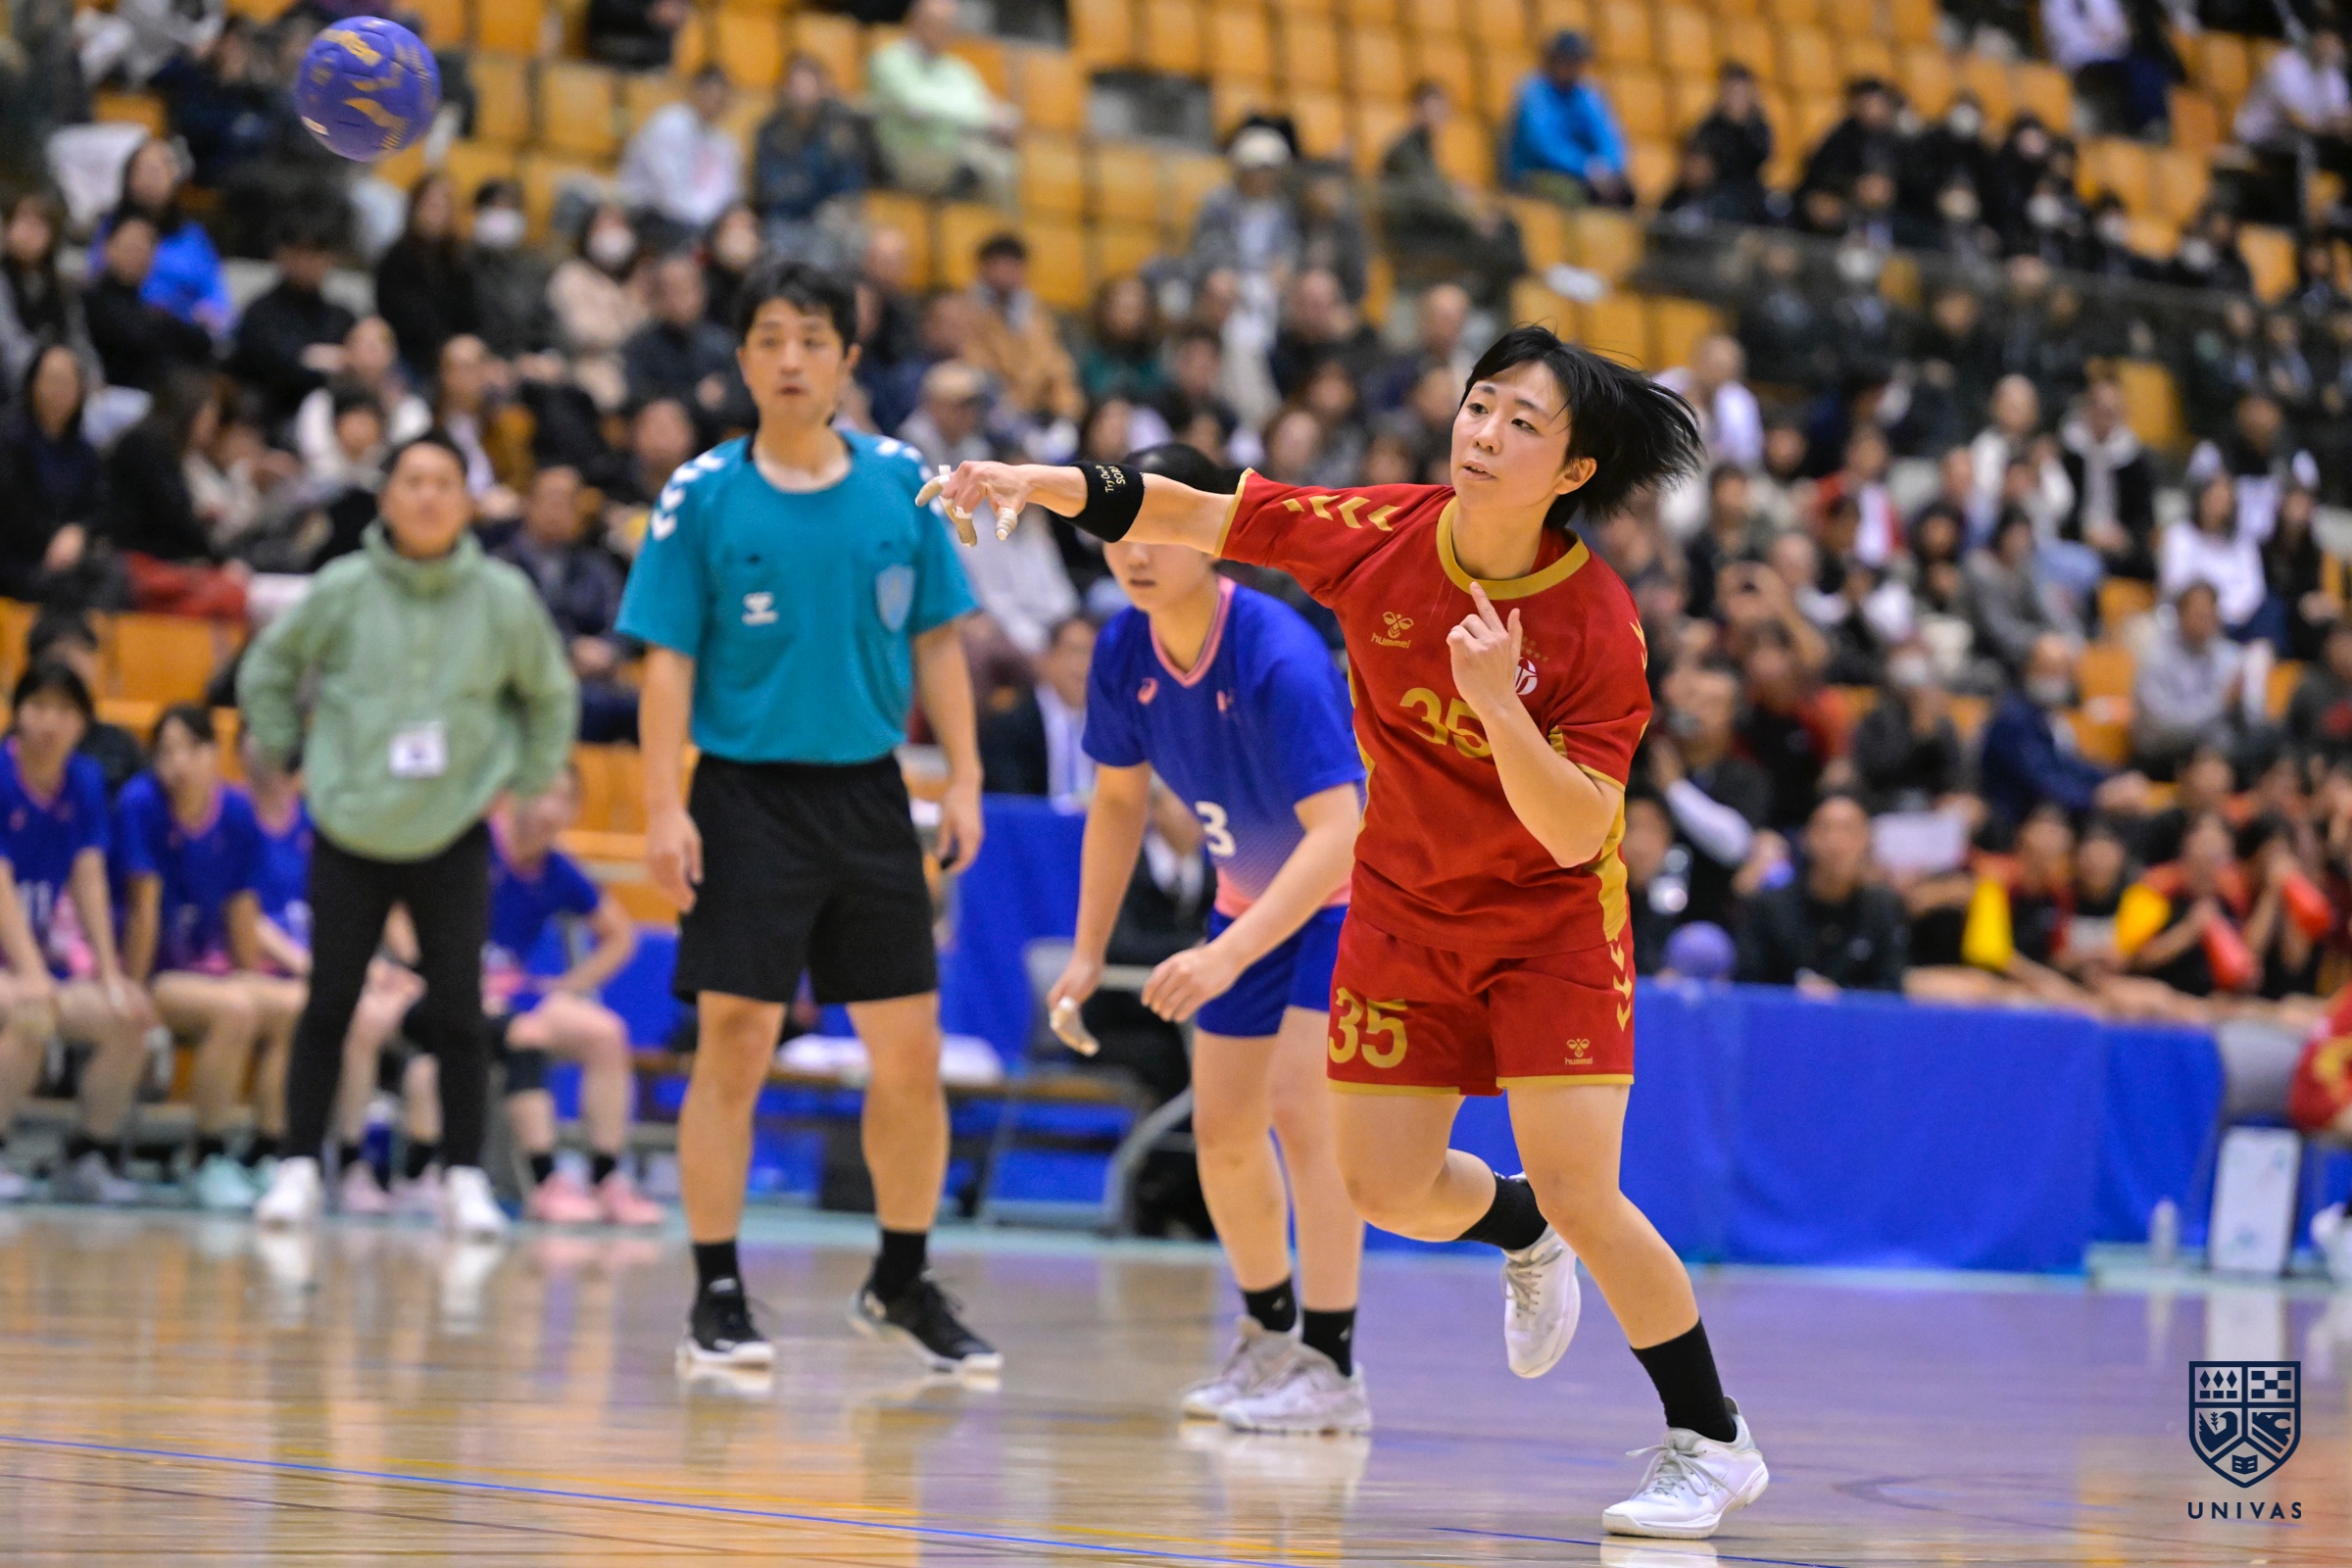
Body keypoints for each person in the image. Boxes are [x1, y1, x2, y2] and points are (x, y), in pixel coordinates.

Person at [924, 323, 1769, 1537]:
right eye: (1480, 404)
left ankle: (1711, 1436)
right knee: (1381, 1184)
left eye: (1523, 423)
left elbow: (1579, 829)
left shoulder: (1596, 622)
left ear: (1574, 470)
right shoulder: (1380, 532)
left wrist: (1498, 706)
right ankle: (1516, 1222)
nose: (1485, 433)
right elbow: (1204, 508)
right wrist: (1035, 482)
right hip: (1404, 912)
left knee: (1591, 1191)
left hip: (1549, 927)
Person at [616, 262, 995, 1375]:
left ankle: (901, 1278)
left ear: (847, 362)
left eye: (813, 339)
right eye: (771, 338)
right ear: (742, 360)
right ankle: (716, 1291)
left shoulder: (902, 482)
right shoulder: (698, 495)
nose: (791, 359)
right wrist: (661, 808)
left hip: (870, 793)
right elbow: (665, 664)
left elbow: (939, 638)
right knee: (734, 1043)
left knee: (909, 1055)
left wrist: (965, 776)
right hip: (743, 797)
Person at [1043, 439, 1369, 1428]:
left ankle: (1333, 1363)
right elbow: (1116, 805)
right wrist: (1089, 951)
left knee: (1302, 1112)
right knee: (1223, 1131)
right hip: (1244, 901)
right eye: (1119, 530)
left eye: (1157, 526)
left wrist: (1228, 952)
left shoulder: (1278, 654)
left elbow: (1340, 832)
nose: (1136, 551)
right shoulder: (1123, 649)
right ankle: (1267, 1336)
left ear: (1212, 533)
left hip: (1344, 902)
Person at [242, 432, 577, 1238]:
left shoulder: (503, 596)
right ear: (387, 497)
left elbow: (551, 694)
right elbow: (267, 670)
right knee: (329, 1002)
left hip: (453, 827)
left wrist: (531, 782)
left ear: (467, 502)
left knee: (460, 1011)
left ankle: (462, 1177)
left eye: (443, 483)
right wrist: (286, 751)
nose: (427, 496)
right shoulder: (343, 587)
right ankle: (297, 1167)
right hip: (349, 824)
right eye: (413, 481)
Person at [454, 770, 662, 1226]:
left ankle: (606, 1177)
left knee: (606, 1034)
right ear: (514, 795)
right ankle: (545, 1180)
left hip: (515, 993)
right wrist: (427, 968)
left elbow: (621, 936)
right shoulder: (472, 845)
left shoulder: (558, 869)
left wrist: (567, 985)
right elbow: (400, 908)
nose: (551, 808)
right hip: (455, 990)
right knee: (526, 1033)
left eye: (565, 798)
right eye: (544, 793)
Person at [115, 705, 294, 1212]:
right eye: (164, 752)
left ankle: (265, 1151)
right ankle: (207, 1157)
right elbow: (144, 908)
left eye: (188, 750)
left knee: (294, 1007)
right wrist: (134, 991)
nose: (176, 764)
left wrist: (251, 977)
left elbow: (242, 906)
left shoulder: (236, 812)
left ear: (214, 754)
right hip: (159, 972)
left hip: (215, 973)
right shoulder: (141, 804)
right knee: (236, 1010)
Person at [0, 663, 152, 1204]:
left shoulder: (84, 780)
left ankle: (90, 1154)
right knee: (32, 1015)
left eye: (65, 710)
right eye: (38, 706)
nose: (50, 722)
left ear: (83, 723)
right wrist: (30, 972)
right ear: (17, 713)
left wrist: (111, 975)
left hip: (43, 963)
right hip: (16, 962)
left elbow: (89, 877)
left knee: (128, 1020)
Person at [495, 465, 637, 744]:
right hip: (525, 679)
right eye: (551, 499)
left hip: (595, 679)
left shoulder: (595, 566)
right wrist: (570, 648)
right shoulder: (500, 566)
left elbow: (623, 621)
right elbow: (509, 629)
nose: (558, 510)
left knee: (638, 706)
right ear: (528, 503)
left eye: (568, 502)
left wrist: (608, 650)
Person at [1735, 794, 1908, 994]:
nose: (1836, 842)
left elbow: (1891, 985)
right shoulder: (1769, 906)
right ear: (1805, 839)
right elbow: (1748, 983)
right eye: (1826, 829)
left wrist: (1841, 998)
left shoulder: (1882, 908)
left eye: (1849, 830)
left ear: (1868, 840)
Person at [1377, 81, 1526, 309]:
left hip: (1434, 227)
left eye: (1443, 109)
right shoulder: (1404, 150)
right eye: (1433, 108)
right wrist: (1473, 220)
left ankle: (1496, 301)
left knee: (1506, 228)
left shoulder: (1423, 148)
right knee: (1497, 244)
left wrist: (1455, 192)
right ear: (1416, 109)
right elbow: (1429, 201)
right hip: (1416, 237)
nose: (1440, 115)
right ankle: (1487, 308)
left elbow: (1436, 192)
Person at [1980, 632, 2149, 827]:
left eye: (2060, 671)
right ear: (2027, 668)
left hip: (2050, 810)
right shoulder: (2012, 717)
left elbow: (2066, 764)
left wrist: (2113, 780)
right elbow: (2042, 779)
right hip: (2015, 819)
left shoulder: (2045, 714)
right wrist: (2098, 798)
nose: (2053, 679)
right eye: (2046, 669)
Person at [866, 0, 1018, 203]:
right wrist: (983, 116)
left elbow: (991, 107)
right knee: (990, 165)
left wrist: (1000, 116)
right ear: (916, 22)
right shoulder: (890, 60)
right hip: (905, 154)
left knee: (1007, 164)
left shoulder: (957, 69)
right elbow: (918, 106)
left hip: (953, 152)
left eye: (949, 26)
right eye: (938, 24)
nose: (945, 32)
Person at [228, 212, 357, 426]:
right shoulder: (260, 314)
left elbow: (357, 366)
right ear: (281, 254)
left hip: (335, 420)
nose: (307, 263)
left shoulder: (342, 317)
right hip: (274, 420)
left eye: (316, 253)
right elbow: (276, 370)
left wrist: (309, 358)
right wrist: (329, 363)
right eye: (300, 252)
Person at [0, 344, 103, 606]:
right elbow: (13, 512)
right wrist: (52, 540)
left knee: (114, 575)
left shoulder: (85, 452)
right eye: (53, 380)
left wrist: (79, 532)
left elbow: (96, 508)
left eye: (69, 382)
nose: (61, 391)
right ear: (32, 384)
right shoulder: (9, 441)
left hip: (72, 557)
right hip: (18, 559)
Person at [752, 54, 873, 263]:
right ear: (784, 89)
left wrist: (810, 190)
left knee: (846, 230)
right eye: (796, 85)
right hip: (785, 219)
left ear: (822, 89)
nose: (802, 92)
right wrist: (812, 188)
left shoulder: (839, 129)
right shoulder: (769, 132)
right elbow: (771, 189)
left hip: (827, 219)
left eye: (809, 85)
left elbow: (850, 185)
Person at [964, 232, 1083, 431]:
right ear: (983, 267)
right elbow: (977, 368)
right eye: (1001, 264)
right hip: (988, 416)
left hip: (1036, 415)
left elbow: (1056, 368)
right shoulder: (966, 313)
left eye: (1014, 265)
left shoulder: (1037, 316)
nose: (1008, 272)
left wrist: (1066, 415)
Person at [86, 213, 215, 394]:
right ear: (107, 248)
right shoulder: (90, 300)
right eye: (130, 248)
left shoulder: (149, 306)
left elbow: (202, 342)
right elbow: (133, 337)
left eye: (143, 249)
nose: (136, 256)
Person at [616, 64, 744, 243]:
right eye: (710, 94)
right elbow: (669, 191)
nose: (714, 102)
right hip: (650, 213)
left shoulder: (724, 143)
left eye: (721, 98)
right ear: (695, 91)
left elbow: (729, 194)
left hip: (695, 222)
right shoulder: (668, 124)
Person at [624, 252, 749, 434]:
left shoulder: (723, 344)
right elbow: (639, 404)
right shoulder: (639, 348)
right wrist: (695, 400)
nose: (682, 299)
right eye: (672, 291)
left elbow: (744, 403)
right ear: (655, 298)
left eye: (688, 288)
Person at [373, 172, 480, 377]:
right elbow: (401, 317)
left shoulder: (460, 260)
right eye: (432, 204)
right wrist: (443, 346)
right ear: (415, 207)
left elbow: (471, 314)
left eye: (445, 205)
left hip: (454, 354)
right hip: (409, 355)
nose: (438, 212)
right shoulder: (396, 258)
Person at [1506, 31, 1630, 207]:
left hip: (1585, 175)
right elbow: (1544, 146)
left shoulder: (1586, 93)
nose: (1572, 68)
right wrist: (1586, 168)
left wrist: (1606, 167)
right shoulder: (1533, 93)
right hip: (1535, 173)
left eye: (1577, 62)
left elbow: (1608, 136)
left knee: (1625, 192)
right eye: (1567, 60)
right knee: (1571, 194)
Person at [977, 614, 1095, 799]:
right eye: (1075, 651)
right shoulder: (1009, 725)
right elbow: (1010, 799)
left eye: (1094, 654)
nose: (1084, 664)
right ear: (1046, 659)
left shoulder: (1115, 726)